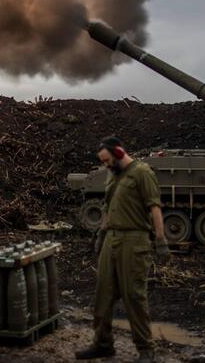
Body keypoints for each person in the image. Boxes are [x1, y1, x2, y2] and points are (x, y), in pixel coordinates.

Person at [75, 136, 170, 363]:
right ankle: (103, 344)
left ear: (118, 153)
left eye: (108, 160)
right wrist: (101, 233)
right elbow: (108, 205)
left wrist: (161, 240)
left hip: (134, 240)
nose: (106, 165)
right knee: (103, 293)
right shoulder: (113, 175)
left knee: (134, 296)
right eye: (104, 162)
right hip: (112, 239)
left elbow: (154, 206)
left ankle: (146, 349)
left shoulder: (142, 173)